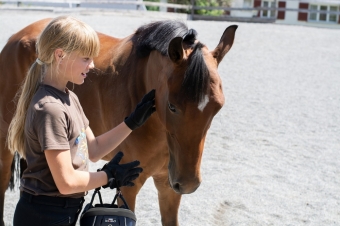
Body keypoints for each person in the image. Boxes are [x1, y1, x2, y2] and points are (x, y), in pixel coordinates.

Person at [6, 16, 156, 226]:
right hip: (44, 216)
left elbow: (92, 150)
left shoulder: (70, 97)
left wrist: (131, 123)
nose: (92, 65)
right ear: (60, 55)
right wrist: (108, 176)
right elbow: (66, 183)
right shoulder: (50, 109)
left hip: (61, 212)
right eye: (86, 58)